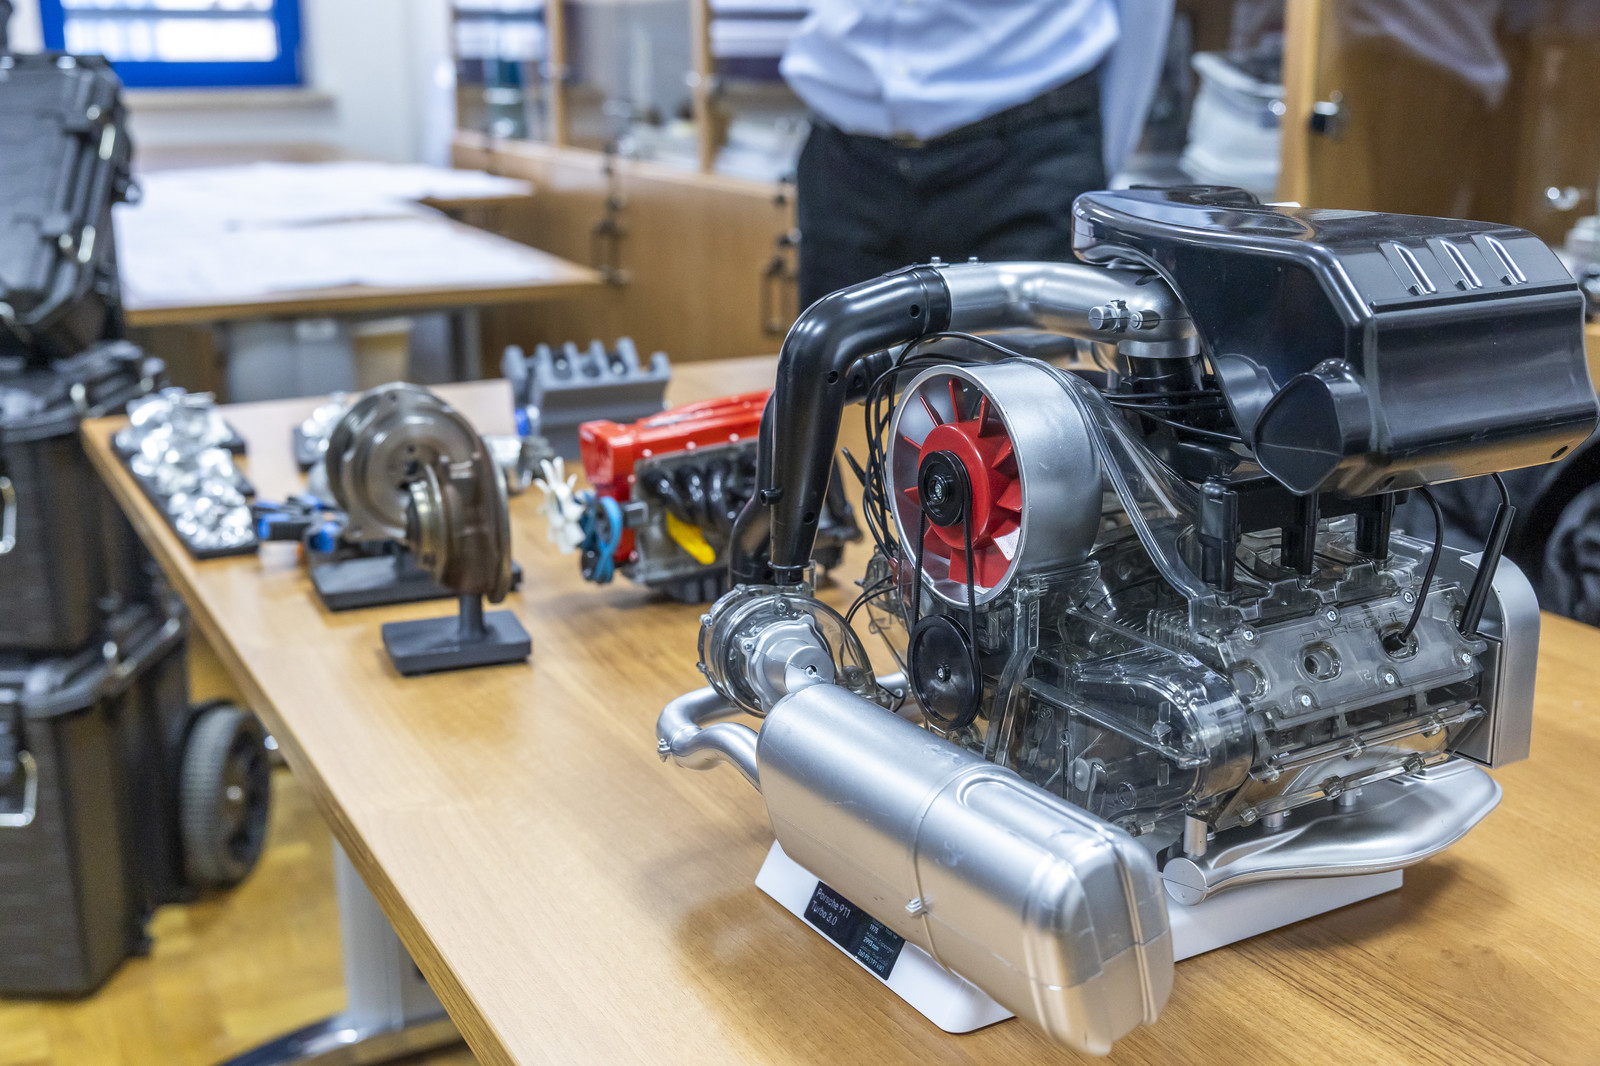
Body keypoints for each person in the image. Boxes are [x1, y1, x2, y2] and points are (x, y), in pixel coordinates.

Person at [781, 0, 1171, 309]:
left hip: (1026, 152)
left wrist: (1101, 156)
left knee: (1020, 379)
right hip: (846, 151)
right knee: (840, 377)